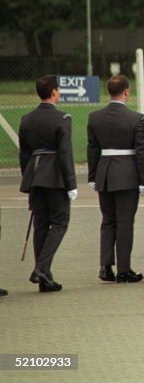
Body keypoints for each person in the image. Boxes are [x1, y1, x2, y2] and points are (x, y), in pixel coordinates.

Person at [87, 74, 144, 283]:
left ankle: (105, 267)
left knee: (108, 221)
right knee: (124, 222)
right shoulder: (135, 118)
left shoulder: (95, 117)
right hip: (127, 174)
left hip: (105, 173)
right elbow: (142, 151)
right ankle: (123, 268)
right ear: (126, 91)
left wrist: (93, 175)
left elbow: (92, 149)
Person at [19, 75, 77, 292]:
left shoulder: (26, 119)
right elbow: (64, 152)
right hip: (54, 175)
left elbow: (24, 154)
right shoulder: (62, 118)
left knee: (41, 224)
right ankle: (42, 268)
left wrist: (28, 177)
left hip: (35, 174)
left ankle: (44, 277)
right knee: (60, 221)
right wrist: (71, 183)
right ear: (54, 92)